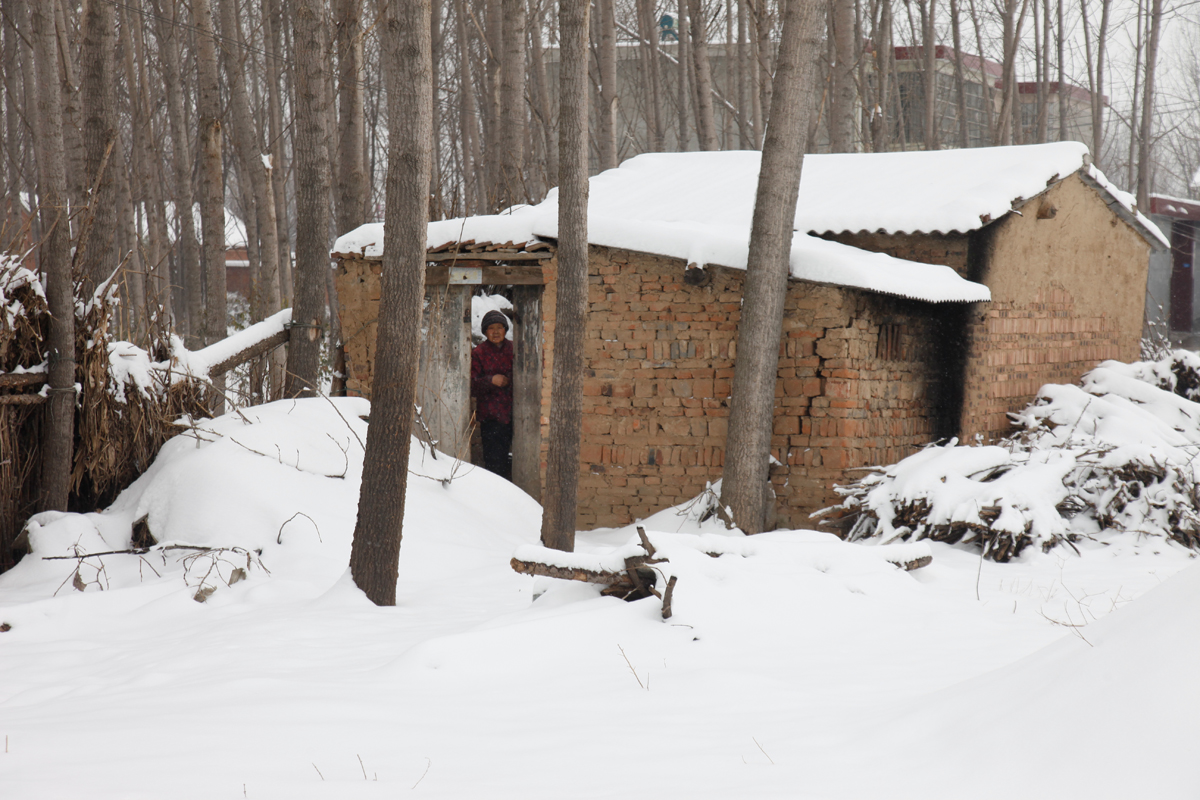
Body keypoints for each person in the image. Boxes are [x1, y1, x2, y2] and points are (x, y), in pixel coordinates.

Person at [471, 309, 514, 480]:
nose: (496, 332)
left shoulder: (514, 349)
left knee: (514, 459)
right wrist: (490, 380)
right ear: (484, 331)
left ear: (505, 329)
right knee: (494, 461)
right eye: (491, 328)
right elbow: (472, 385)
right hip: (491, 417)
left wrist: (510, 380)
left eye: (499, 327)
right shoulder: (479, 353)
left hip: (515, 414)